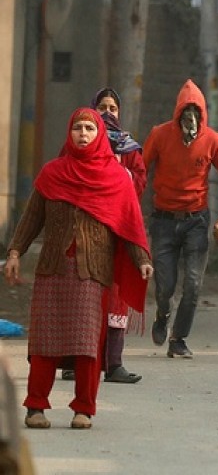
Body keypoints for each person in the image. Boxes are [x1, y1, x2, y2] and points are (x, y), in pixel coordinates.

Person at [3, 108, 153, 430]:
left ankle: (83, 408)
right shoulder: (51, 173)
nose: (83, 134)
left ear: (99, 134)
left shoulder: (116, 179)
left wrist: (142, 260)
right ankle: (36, 406)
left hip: (91, 274)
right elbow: (31, 219)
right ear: (69, 133)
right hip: (52, 271)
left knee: (87, 345)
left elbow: (130, 224)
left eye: (89, 128)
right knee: (44, 342)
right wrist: (15, 251)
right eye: (77, 128)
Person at [143, 79, 218, 359]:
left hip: (196, 219)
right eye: (186, 115)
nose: (191, 122)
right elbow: (140, 169)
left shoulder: (213, 140)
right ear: (178, 115)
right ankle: (163, 314)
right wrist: (131, 208)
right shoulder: (159, 135)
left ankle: (179, 338)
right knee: (165, 286)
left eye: (196, 115)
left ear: (202, 116)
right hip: (163, 219)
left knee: (194, 283)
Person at [61, 88, 147, 384]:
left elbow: (139, 180)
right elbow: (61, 180)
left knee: (116, 297)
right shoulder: (77, 144)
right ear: (92, 109)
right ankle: (75, 360)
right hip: (82, 230)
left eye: (113, 107)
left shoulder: (129, 147)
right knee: (82, 296)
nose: (108, 112)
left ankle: (114, 364)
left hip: (117, 228)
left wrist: (119, 180)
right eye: (102, 106)